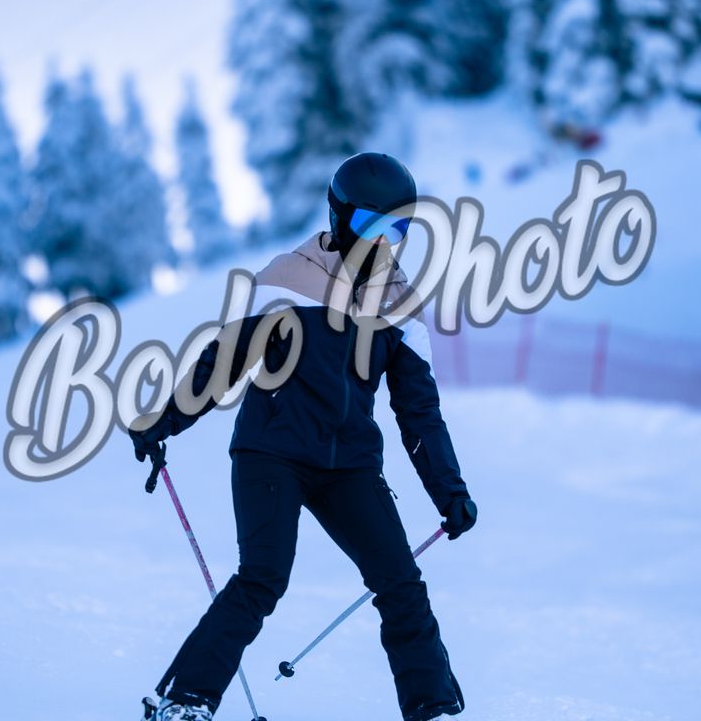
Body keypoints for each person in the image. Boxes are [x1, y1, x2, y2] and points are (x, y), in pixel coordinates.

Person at [129, 152, 478, 721]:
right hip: (272, 452)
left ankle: (431, 708)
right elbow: (225, 361)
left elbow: (420, 412)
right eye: (370, 225)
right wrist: (165, 419)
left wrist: (450, 490)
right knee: (262, 578)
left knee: (401, 584)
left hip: (350, 467)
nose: (383, 242)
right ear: (339, 217)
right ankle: (184, 700)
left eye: (398, 230)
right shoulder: (288, 278)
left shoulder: (401, 307)